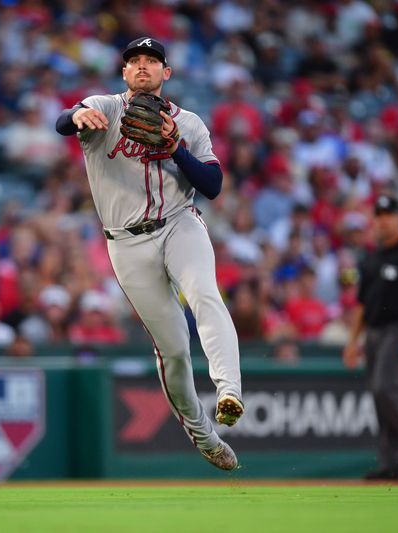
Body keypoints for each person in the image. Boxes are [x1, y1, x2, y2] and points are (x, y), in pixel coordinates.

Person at [55, 37, 243, 470]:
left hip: (179, 222)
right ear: (124, 72)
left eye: (152, 61)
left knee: (204, 294)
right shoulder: (105, 106)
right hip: (126, 241)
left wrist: (175, 147)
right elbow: (64, 122)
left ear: (166, 73)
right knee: (174, 348)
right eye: (134, 61)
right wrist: (74, 115)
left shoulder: (189, 123)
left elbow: (212, 186)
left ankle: (229, 391)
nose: (143, 67)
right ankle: (202, 435)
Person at [343, 195, 398, 480]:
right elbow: (360, 304)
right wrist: (352, 341)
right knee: (378, 396)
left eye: (388, 214)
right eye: (379, 214)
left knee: (384, 388)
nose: (383, 220)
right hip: (374, 331)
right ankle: (392, 463)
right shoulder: (372, 258)